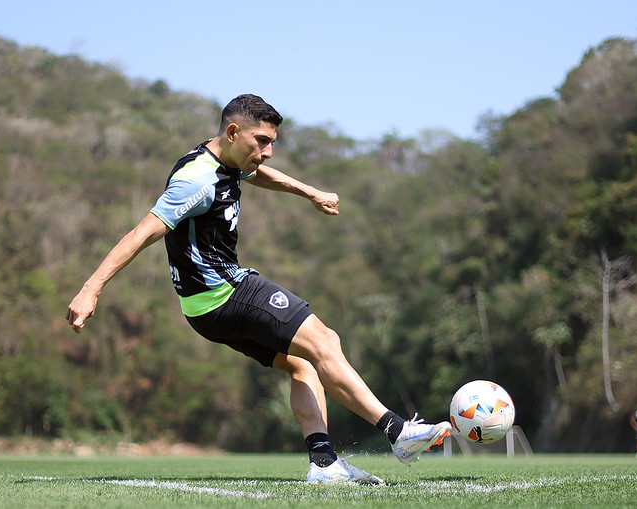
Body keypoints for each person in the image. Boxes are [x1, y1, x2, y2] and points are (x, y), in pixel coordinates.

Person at [66, 94, 450, 485]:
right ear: (233, 132)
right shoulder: (195, 180)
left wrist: (310, 192)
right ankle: (397, 432)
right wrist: (90, 289)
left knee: (302, 364)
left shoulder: (228, 162)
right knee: (323, 340)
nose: (267, 152)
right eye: (261, 141)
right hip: (224, 292)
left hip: (203, 309)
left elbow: (259, 175)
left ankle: (324, 464)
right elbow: (140, 234)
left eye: (271, 143)